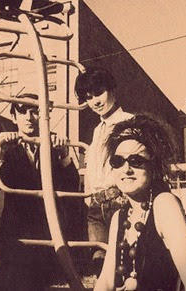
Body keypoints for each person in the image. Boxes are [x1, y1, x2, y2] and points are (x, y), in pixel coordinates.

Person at [95, 114, 186, 291]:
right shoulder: (119, 216)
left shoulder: (164, 205)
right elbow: (106, 281)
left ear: (153, 167)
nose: (126, 169)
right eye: (118, 161)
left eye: (136, 161)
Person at [0, 93, 80, 286]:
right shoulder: (6, 147)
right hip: (18, 228)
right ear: (13, 116)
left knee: (47, 283)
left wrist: (64, 156)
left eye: (35, 112)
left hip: (49, 228)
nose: (29, 117)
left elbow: (72, 188)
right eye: (22, 111)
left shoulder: (55, 145)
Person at [74, 67, 133, 273]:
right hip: (95, 206)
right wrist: (89, 197)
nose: (95, 102)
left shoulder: (128, 122)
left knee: (123, 264)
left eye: (99, 93)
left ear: (112, 91)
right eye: (88, 97)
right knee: (100, 264)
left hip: (119, 202)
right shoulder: (97, 130)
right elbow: (92, 168)